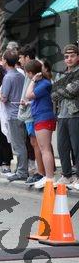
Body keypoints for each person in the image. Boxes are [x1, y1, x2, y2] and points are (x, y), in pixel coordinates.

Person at [0, 48, 28, 182]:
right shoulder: (21, 75)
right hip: (22, 112)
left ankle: (22, 171)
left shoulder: (8, 77)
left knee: (18, 145)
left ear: (5, 61)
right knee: (22, 144)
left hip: (13, 114)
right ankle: (21, 169)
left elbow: (4, 98)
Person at [25, 60, 56, 189]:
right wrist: (28, 103)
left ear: (30, 73)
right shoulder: (41, 83)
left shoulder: (43, 83)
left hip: (44, 118)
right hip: (40, 117)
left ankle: (50, 178)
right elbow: (36, 99)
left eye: (27, 73)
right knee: (44, 149)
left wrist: (32, 81)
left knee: (45, 149)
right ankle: (48, 177)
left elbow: (28, 95)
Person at [51, 44, 79, 189]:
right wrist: (63, 90)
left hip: (75, 115)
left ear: (78, 56)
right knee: (62, 148)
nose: (69, 59)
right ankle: (67, 175)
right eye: (66, 56)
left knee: (77, 147)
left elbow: (73, 91)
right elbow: (53, 94)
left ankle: (78, 177)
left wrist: (61, 90)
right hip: (61, 116)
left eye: (72, 56)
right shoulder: (60, 74)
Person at [18, 46, 46, 185]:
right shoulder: (29, 72)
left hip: (33, 114)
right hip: (30, 111)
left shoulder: (36, 73)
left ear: (27, 57)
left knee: (37, 143)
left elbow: (31, 94)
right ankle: (41, 171)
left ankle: (41, 172)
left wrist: (27, 102)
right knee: (35, 143)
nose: (19, 60)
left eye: (21, 57)